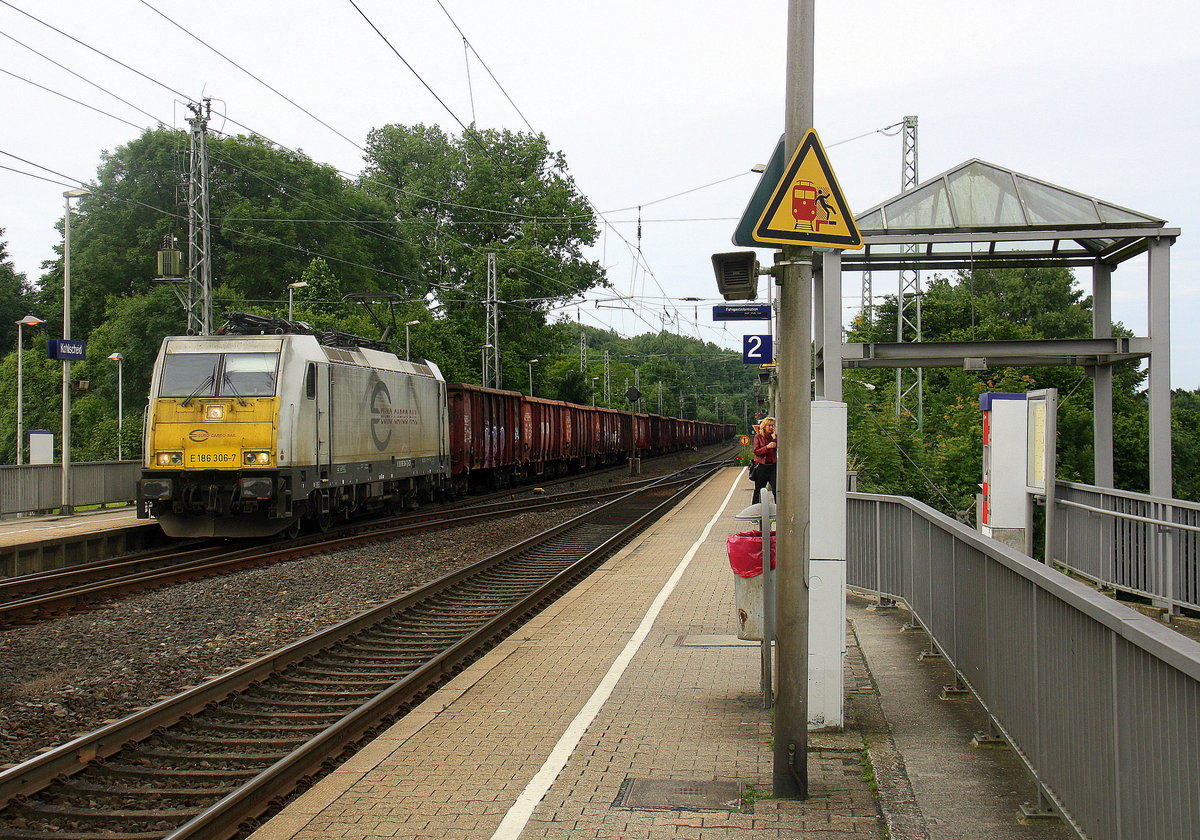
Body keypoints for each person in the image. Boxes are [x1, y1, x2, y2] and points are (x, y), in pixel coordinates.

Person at [751, 416, 778, 504]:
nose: (771, 428)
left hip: (772, 466)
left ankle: (778, 509)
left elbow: (778, 446)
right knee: (759, 489)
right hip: (761, 466)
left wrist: (774, 438)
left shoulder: (774, 437)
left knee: (776, 488)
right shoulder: (758, 437)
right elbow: (756, 451)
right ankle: (754, 510)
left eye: (773, 426)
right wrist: (766, 447)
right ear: (764, 426)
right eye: (769, 425)